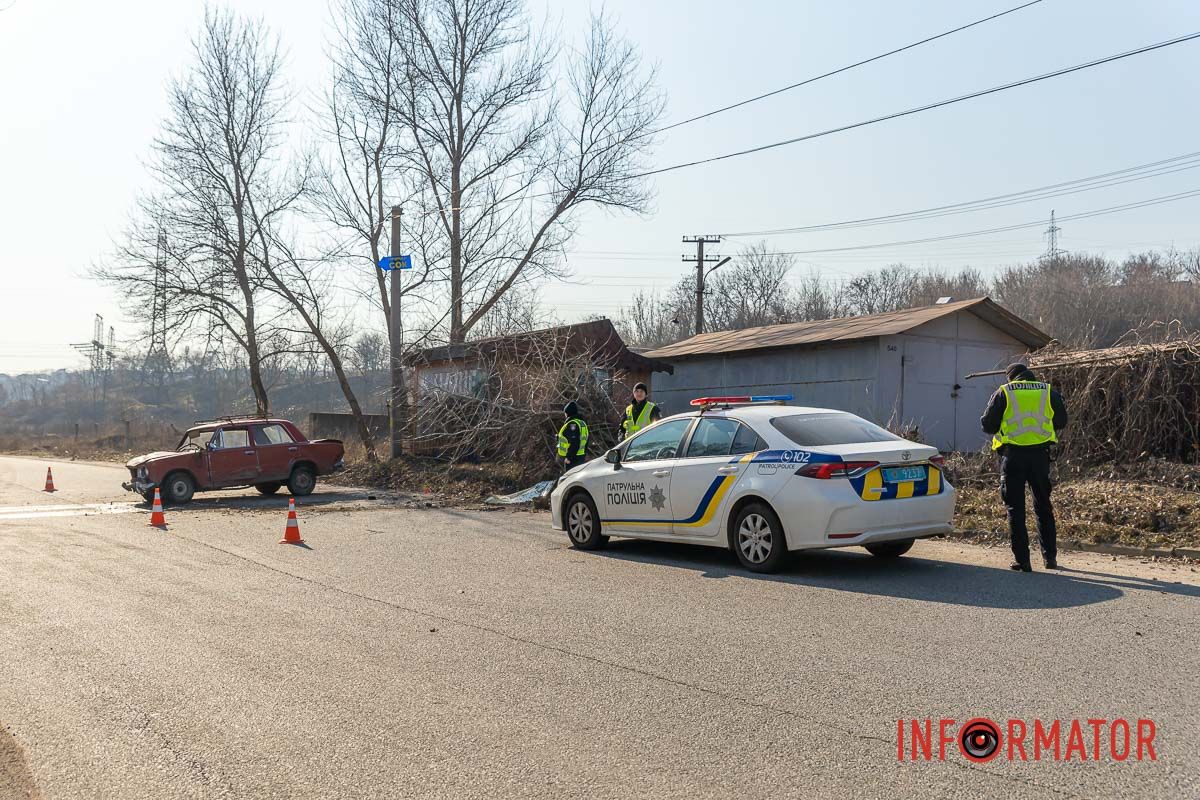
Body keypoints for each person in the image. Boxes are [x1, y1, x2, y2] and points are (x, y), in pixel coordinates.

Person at [980, 363, 1069, 572]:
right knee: (1043, 506)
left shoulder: (1004, 392)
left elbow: (987, 425)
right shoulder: (1047, 391)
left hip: (1014, 457)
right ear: (1029, 376)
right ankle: (1050, 559)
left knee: (1015, 509)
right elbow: (1062, 421)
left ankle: (1023, 561)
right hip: (1040, 457)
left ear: (1012, 378)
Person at [556, 401, 590, 471]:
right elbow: (586, 439)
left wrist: (569, 458)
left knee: (570, 480)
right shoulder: (582, 423)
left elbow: (575, 442)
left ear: (568, 413)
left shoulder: (572, 424)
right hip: (581, 457)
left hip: (573, 459)